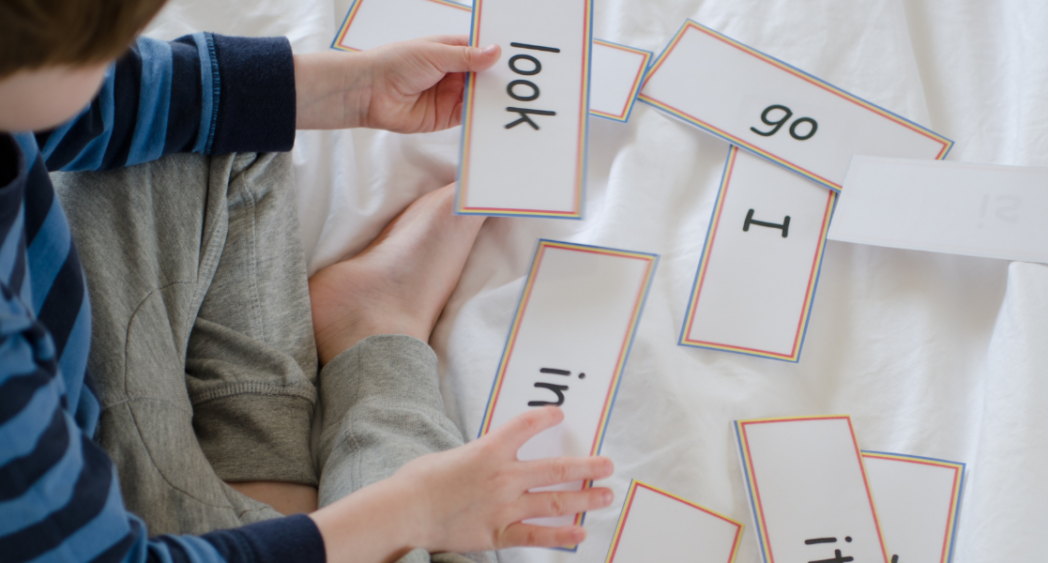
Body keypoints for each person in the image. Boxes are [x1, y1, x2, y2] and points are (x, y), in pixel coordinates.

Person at [0, 0, 615, 561]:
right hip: (75, 490)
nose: (120, 56)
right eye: (102, 50)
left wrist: (355, 89)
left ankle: (261, 507)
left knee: (232, 123)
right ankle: (373, 341)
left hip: (54, 369)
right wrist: (416, 509)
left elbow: (104, 100)